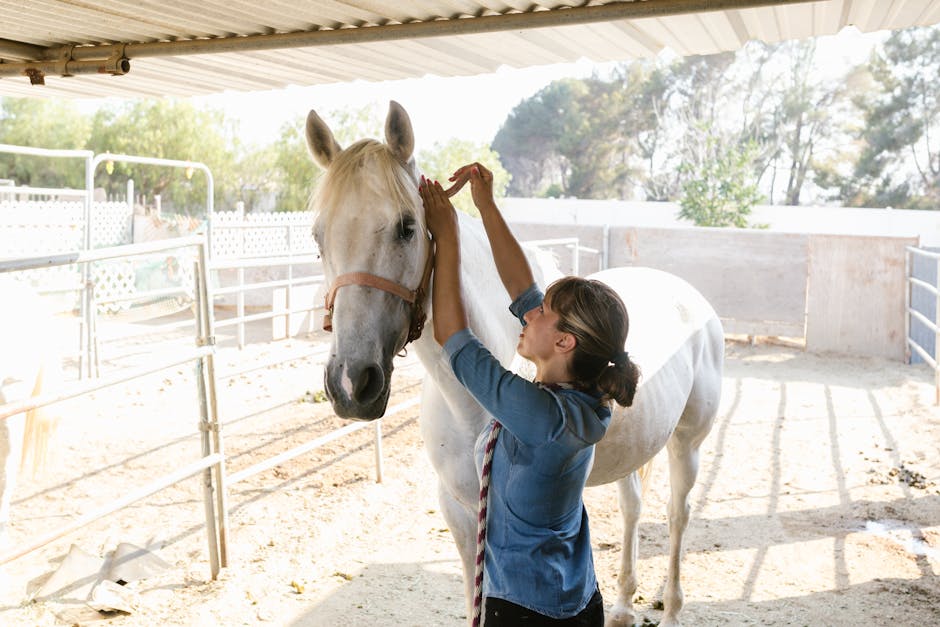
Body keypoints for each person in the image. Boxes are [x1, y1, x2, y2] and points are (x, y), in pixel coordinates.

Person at [419, 163, 641, 626]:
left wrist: (448, 234)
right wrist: (486, 205)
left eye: (543, 313)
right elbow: (522, 286)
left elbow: (454, 339)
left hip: (526, 612)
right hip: (576, 598)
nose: (528, 312)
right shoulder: (584, 396)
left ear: (564, 343)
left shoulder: (542, 417)